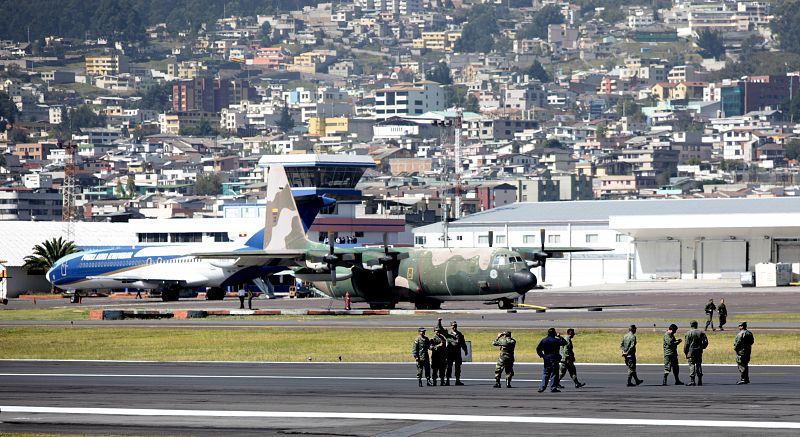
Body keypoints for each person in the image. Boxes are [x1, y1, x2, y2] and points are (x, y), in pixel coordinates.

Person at [438, 318, 468, 386]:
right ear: (451, 326)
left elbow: (463, 343)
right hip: (450, 353)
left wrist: (465, 350)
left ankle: (457, 380)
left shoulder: (459, 334)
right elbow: (440, 329)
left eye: (455, 325)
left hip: (457, 353)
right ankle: (447, 381)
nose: (454, 327)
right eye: (453, 326)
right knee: (449, 367)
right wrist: (439, 321)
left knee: (458, 367)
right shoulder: (448, 333)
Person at [536, 327, 567, 393]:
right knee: (554, 373)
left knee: (546, 373)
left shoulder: (544, 340)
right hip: (554, 358)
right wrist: (559, 336)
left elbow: (538, 348)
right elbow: (564, 342)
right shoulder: (556, 340)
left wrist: (541, 355)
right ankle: (553, 387)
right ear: (554, 333)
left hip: (546, 358)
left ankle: (542, 387)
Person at [684, 320, 709, 386]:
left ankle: (692, 380)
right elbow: (706, 342)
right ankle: (700, 380)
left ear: (691, 325)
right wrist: (702, 347)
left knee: (691, 364)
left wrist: (685, 352)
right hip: (699, 351)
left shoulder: (688, 333)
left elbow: (686, 344)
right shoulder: (701, 332)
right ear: (696, 325)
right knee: (698, 364)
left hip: (691, 351)